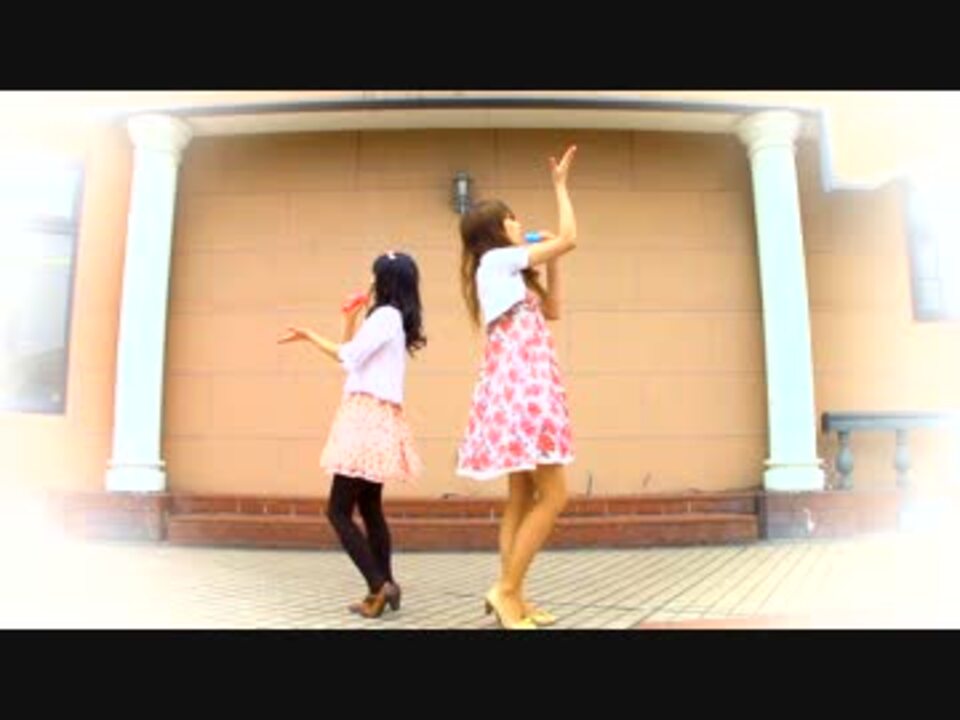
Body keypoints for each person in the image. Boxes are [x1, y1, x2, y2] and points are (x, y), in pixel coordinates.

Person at [456, 145, 578, 629]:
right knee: (555, 496)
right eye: (510, 218)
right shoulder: (496, 261)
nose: (517, 222)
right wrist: (560, 186)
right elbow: (571, 237)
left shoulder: (502, 272)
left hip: (519, 389)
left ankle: (514, 597)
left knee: (522, 498)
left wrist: (553, 260)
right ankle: (506, 591)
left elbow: (554, 311)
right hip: (524, 390)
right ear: (496, 229)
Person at [278, 251, 426, 619]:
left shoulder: (385, 316)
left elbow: (349, 356)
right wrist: (349, 320)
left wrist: (311, 336)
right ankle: (386, 586)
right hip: (377, 417)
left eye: (374, 274)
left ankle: (378, 585)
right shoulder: (392, 318)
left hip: (365, 418)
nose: (370, 280)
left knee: (338, 510)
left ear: (385, 280)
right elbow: (350, 359)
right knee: (370, 507)